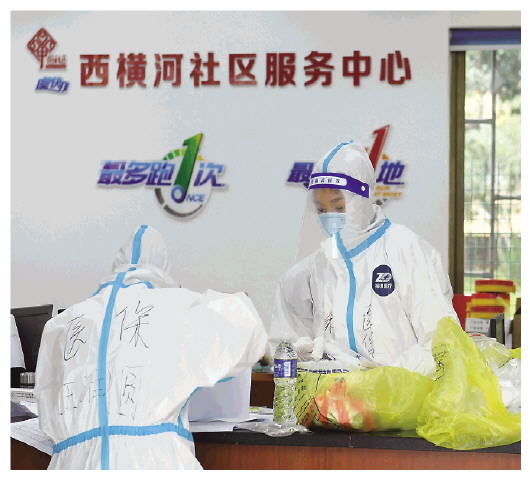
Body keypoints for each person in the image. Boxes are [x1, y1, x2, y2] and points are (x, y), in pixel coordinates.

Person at [34, 225, 267, 469]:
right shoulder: (175, 307)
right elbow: (246, 325)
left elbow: (47, 399)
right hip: (153, 460)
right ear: (162, 267)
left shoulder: (62, 322)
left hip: (73, 463)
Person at [268, 142, 458, 377]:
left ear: (361, 199)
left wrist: (385, 377)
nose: (330, 217)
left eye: (339, 206)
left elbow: (441, 342)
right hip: (333, 399)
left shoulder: (406, 250)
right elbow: (285, 343)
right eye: (321, 210)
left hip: (405, 397)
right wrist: (302, 357)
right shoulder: (313, 269)